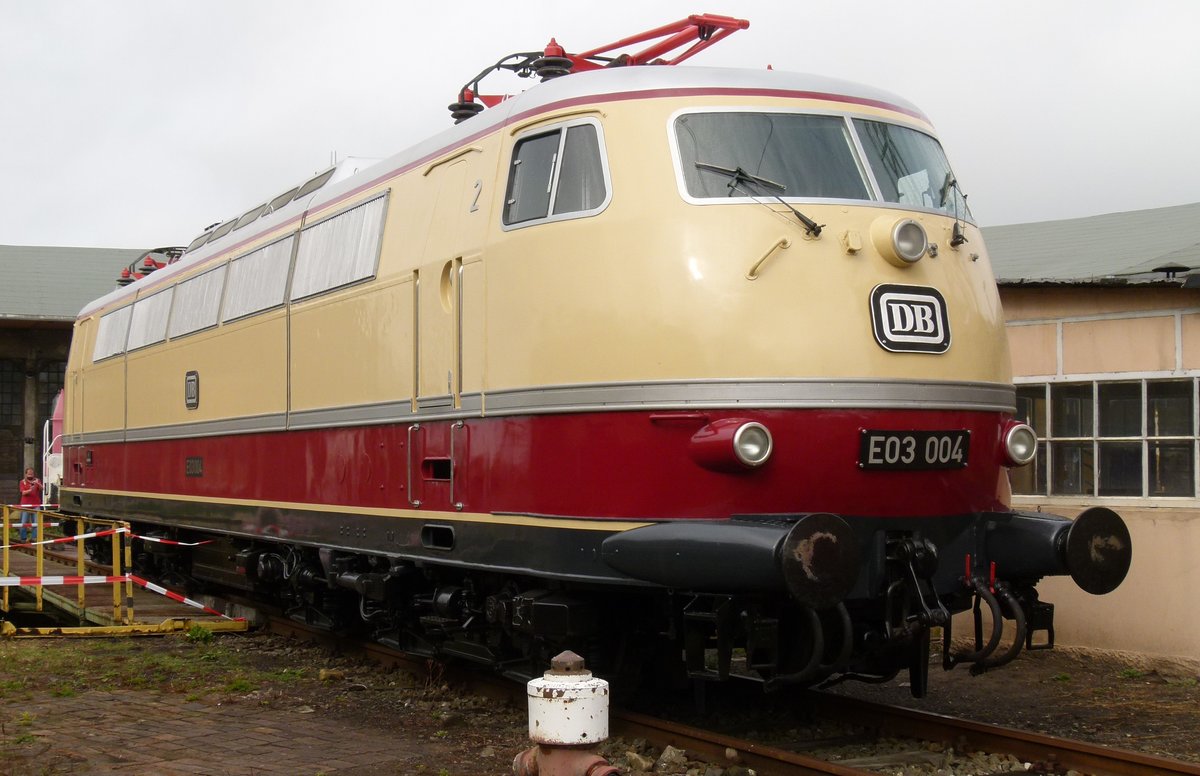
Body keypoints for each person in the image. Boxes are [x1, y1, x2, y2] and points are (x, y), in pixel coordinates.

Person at [17, 467, 42, 543]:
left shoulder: (37, 481)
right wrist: (31, 489)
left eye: (32, 473)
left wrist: (37, 484)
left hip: (36, 505)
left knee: (36, 523)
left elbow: (42, 489)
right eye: (29, 473)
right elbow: (23, 493)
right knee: (23, 522)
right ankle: (23, 538)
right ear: (26, 474)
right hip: (25, 506)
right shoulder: (22, 482)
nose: (30, 475)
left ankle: (34, 538)